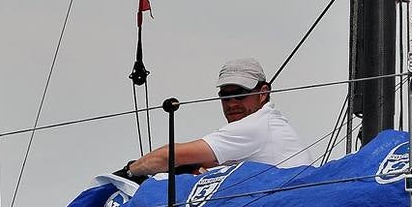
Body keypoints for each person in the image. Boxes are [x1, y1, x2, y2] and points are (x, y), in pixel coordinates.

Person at [121, 58, 317, 178]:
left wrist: (129, 172)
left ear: (263, 92)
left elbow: (168, 155)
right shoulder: (272, 123)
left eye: (240, 94)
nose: (231, 104)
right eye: (225, 96)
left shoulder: (255, 126)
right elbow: (204, 163)